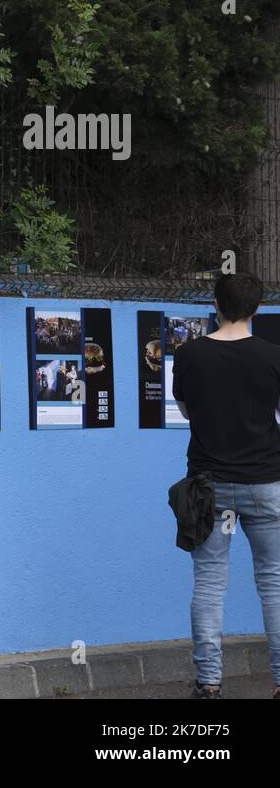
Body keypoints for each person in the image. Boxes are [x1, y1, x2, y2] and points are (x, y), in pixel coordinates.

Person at [172, 271, 280, 699]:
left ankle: (209, 683)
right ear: (257, 308)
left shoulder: (190, 354)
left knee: (209, 583)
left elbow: (186, 410)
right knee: (273, 583)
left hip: (208, 485)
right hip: (266, 482)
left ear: (215, 304)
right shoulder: (273, 356)